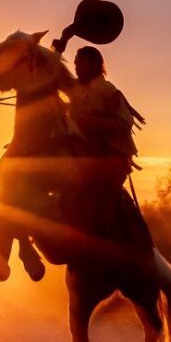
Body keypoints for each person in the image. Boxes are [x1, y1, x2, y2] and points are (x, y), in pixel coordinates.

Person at [62, 46, 146, 236]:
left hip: (112, 158)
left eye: (80, 63)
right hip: (86, 153)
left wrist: (92, 122)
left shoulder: (109, 91)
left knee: (101, 204)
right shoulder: (75, 88)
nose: (76, 67)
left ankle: (102, 237)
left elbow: (125, 122)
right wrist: (60, 44)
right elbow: (55, 74)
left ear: (94, 65)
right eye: (75, 63)